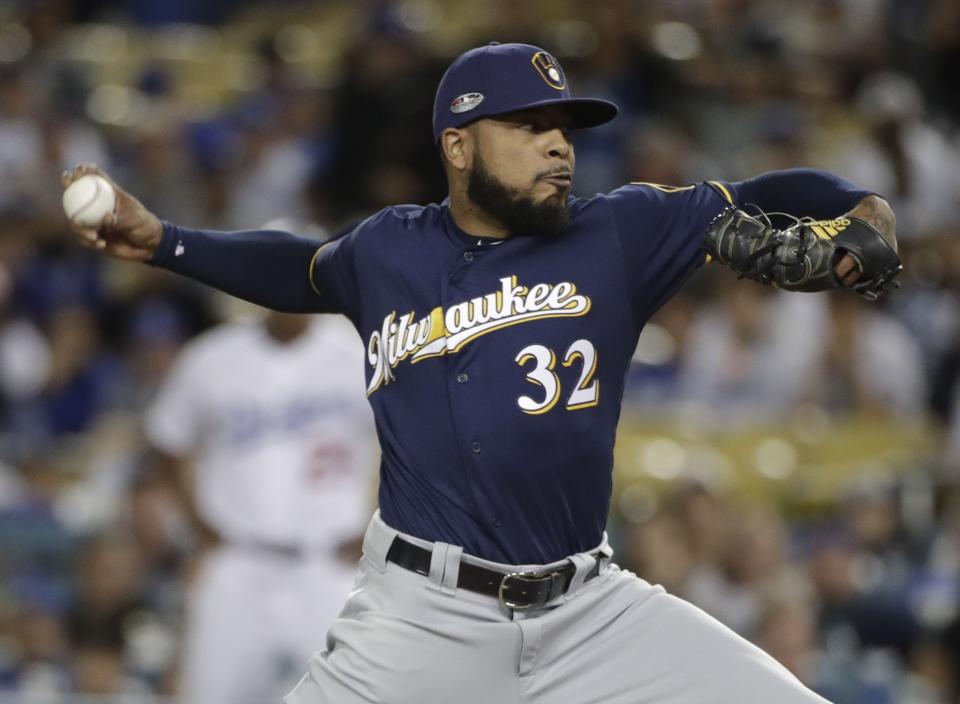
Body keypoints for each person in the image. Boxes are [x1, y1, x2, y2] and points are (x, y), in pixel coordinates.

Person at [62, 42, 901, 704]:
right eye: (529, 126)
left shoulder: (622, 231)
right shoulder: (391, 249)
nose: (557, 146)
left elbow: (763, 190)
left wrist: (863, 205)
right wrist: (166, 242)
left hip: (590, 610)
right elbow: (302, 269)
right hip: (421, 621)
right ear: (458, 146)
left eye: (564, 128)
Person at [144, 309, 375, 704]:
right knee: (205, 693)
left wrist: (378, 522)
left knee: (351, 697)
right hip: (237, 562)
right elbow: (167, 440)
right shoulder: (213, 355)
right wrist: (198, 525)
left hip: (329, 564)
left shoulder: (361, 352)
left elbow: (417, 441)